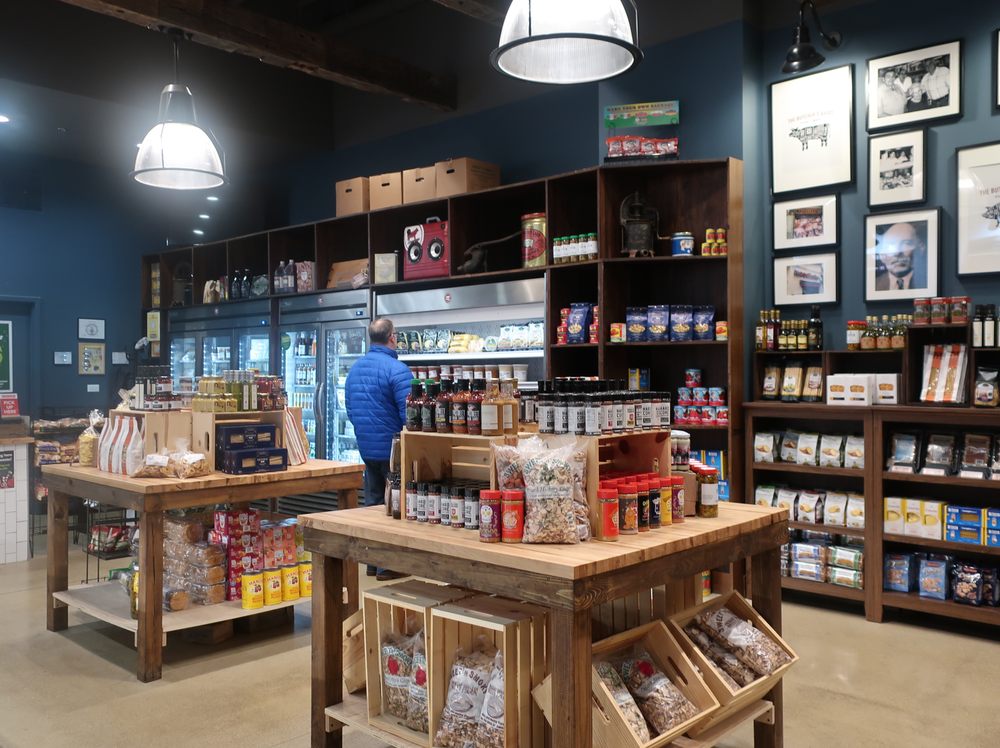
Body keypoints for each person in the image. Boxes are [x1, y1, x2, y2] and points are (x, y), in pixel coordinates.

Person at [344, 317, 412, 580]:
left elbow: (350, 410)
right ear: (392, 337)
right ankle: (388, 565)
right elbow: (409, 415)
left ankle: (371, 562)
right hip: (393, 449)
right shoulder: (398, 370)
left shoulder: (355, 369)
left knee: (372, 503)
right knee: (395, 505)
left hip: (366, 447)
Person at [875, 222, 928, 291]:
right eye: (890, 245)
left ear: (921, 248)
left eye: (906, 243)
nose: (897, 252)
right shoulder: (874, 286)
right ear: (882, 255)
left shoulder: (929, 282)